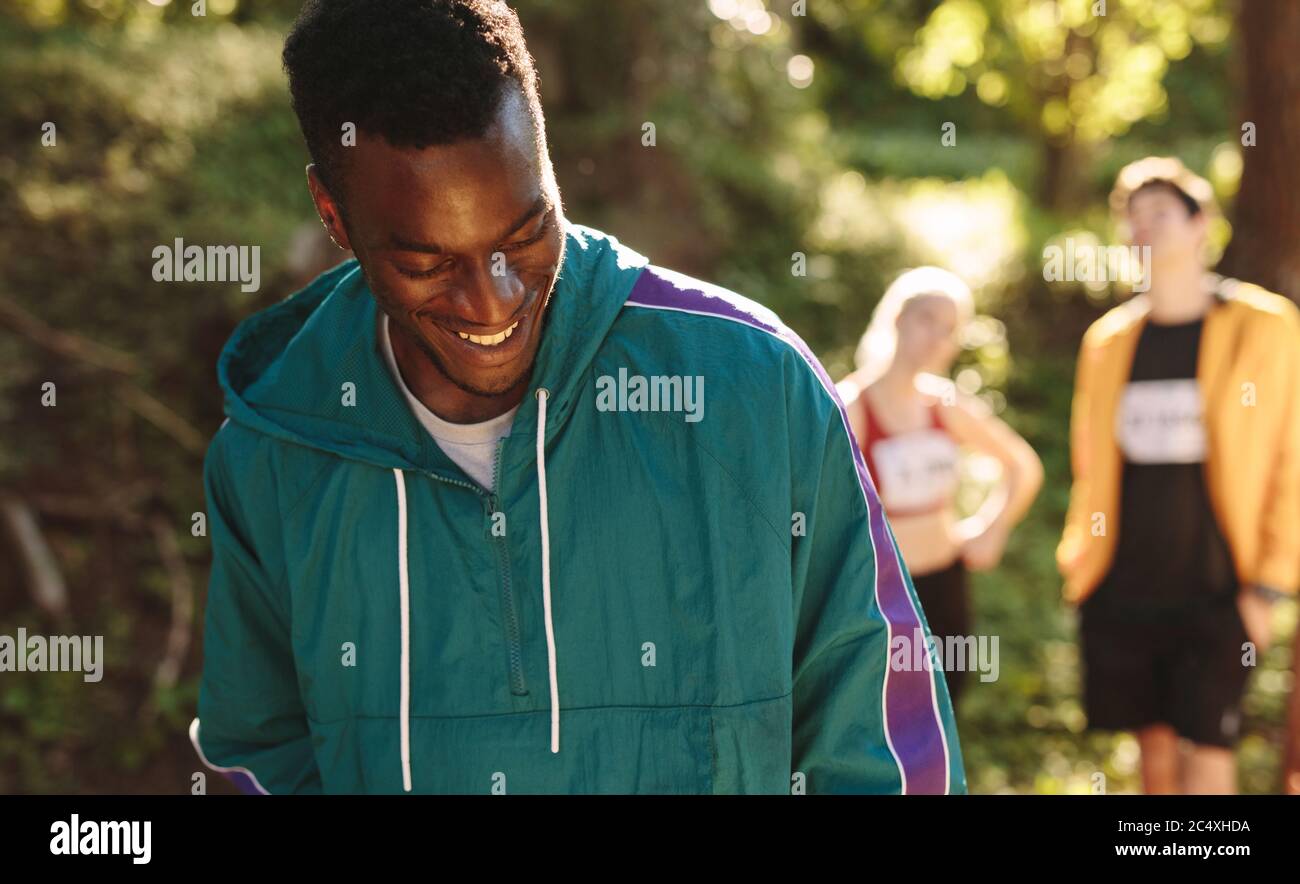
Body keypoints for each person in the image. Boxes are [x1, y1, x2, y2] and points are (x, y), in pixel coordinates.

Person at [188, 0, 964, 795]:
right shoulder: (275, 446)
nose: (492, 304)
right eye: (429, 263)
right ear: (333, 216)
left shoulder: (750, 387)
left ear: (547, 163)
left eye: (524, 235)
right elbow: (259, 759)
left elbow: (884, 751)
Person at [1057, 156, 1300, 794]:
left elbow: (1289, 458)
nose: (1143, 228)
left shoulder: (1264, 326)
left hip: (1224, 589)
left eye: (1160, 213)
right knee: (1155, 761)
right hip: (1128, 583)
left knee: (1209, 751)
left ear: (1202, 224)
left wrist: (1270, 587)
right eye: (1131, 218)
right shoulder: (1108, 341)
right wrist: (1083, 567)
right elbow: (1091, 466)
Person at [838, 268, 1042, 708]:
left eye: (950, 330)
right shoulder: (850, 407)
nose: (937, 337)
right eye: (927, 319)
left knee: (944, 718)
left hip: (947, 588)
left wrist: (991, 528)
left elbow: (1022, 466)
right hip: (882, 598)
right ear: (897, 318)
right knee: (883, 723)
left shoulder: (945, 403)